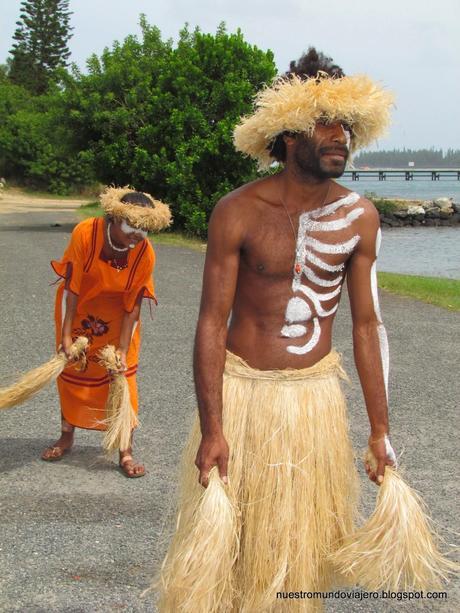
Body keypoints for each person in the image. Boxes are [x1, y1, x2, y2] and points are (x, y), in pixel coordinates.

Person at [159, 49, 396, 610]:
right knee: (226, 561)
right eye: (325, 124)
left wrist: (380, 430)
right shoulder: (237, 211)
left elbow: (366, 324)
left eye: (348, 126)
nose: (340, 137)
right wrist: (213, 428)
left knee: (296, 559)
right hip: (243, 399)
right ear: (289, 135)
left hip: (312, 403)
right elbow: (212, 322)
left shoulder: (360, 216)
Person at [42, 187, 171, 477]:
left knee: (122, 376)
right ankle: (66, 436)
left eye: (143, 231)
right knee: (72, 369)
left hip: (118, 315)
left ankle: (125, 450)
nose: (137, 236)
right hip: (80, 308)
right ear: (113, 218)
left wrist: (123, 349)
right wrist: (66, 336)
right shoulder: (85, 233)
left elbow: (134, 305)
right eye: (131, 228)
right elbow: (71, 288)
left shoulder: (144, 254)